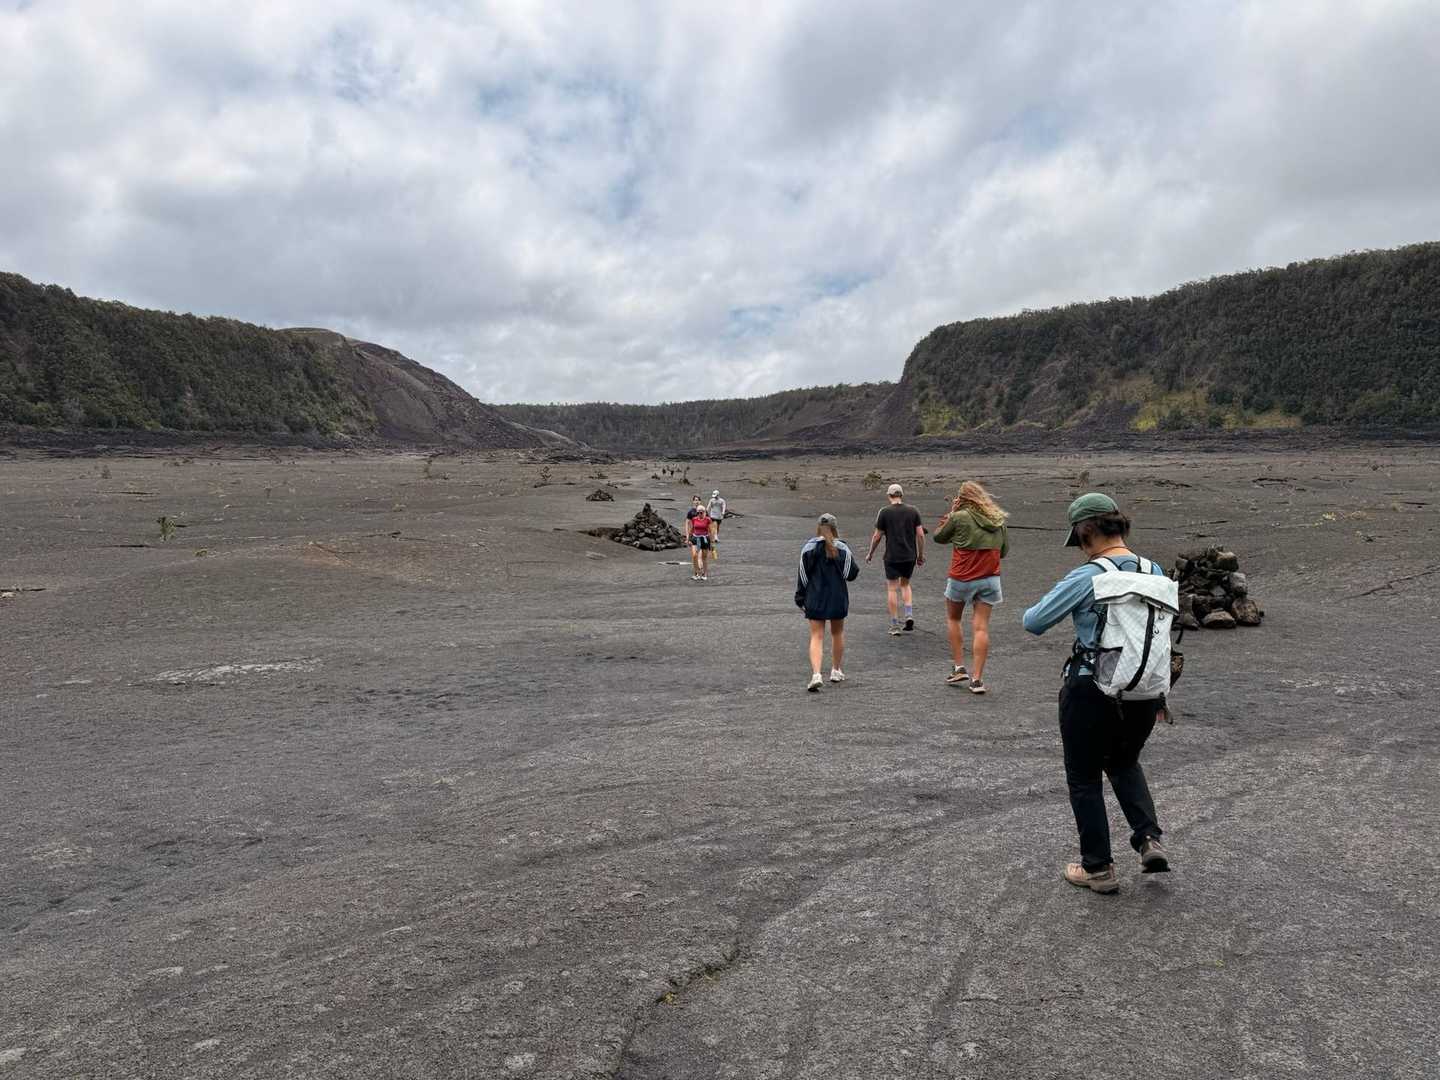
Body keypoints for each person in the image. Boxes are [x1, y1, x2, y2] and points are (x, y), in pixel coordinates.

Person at [1022, 492, 1172, 895]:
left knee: (1084, 778)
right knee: (1125, 762)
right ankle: (1148, 838)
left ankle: (1098, 869)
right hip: (1144, 690)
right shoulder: (1155, 570)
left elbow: (1034, 621)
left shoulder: (1088, 576)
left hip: (1090, 687)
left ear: (1086, 533)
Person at [933, 481, 1009, 693]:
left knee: (953, 618)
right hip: (990, 579)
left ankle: (959, 667)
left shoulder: (959, 517)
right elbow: (1004, 551)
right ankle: (977, 680)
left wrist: (951, 513)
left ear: (962, 498)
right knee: (981, 627)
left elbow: (939, 537)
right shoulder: (998, 519)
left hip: (962, 577)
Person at [795, 512, 860, 691]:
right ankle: (836, 670)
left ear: (818, 528)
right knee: (837, 633)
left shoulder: (808, 548)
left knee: (816, 636)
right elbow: (850, 574)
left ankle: (816, 674)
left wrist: (800, 597)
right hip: (837, 597)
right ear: (835, 528)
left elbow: (803, 576)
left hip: (815, 597)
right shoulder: (843, 548)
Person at [866, 483, 925, 635]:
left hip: (892, 556)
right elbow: (920, 535)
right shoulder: (913, 511)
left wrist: (870, 553)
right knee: (905, 584)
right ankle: (909, 614)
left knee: (892, 588)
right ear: (901, 495)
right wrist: (920, 555)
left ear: (889, 496)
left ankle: (894, 625)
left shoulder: (884, 512)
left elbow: (877, 536)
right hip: (910, 555)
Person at [684, 496, 714, 581]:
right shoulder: (694, 519)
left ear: (704, 512)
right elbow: (691, 529)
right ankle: (696, 573)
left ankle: (704, 573)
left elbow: (710, 531)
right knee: (694, 556)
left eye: (701, 512)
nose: (700, 514)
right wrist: (688, 539)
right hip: (695, 538)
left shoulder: (708, 520)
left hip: (704, 539)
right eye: (698, 512)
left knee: (704, 557)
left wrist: (712, 543)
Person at [707, 489, 727, 560]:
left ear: (718, 495)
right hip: (713, 515)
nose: (714, 497)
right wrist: (706, 511)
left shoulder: (722, 501)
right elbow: (709, 506)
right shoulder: (711, 500)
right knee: (714, 525)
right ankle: (715, 537)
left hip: (719, 516)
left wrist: (723, 512)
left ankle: (716, 536)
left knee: (717, 527)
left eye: (715, 495)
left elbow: (724, 506)